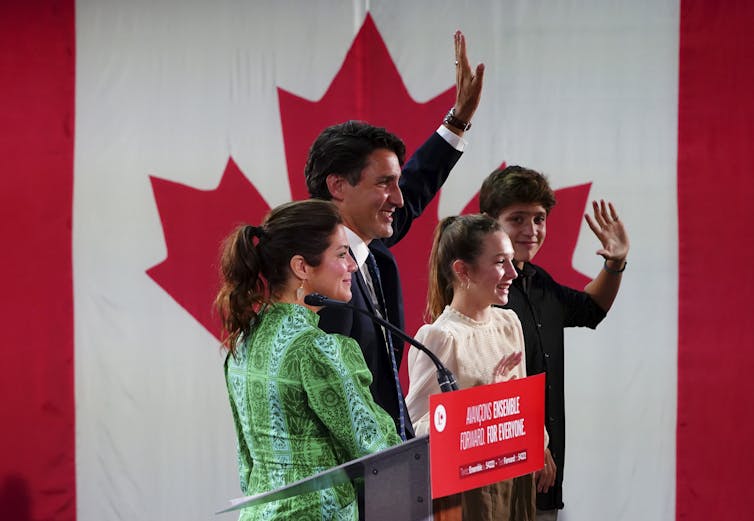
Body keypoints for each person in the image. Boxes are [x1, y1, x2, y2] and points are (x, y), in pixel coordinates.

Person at [305, 31, 484, 441]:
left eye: (397, 182)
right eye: (384, 183)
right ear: (338, 186)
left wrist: (457, 120)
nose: (399, 198)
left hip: (388, 459)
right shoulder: (315, 277)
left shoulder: (369, 247)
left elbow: (416, 189)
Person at [215, 200, 402, 520]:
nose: (353, 266)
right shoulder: (316, 348)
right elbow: (376, 451)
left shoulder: (244, 339)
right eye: (342, 255)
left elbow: (247, 463)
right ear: (302, 267)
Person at [478, 165, 630, 520]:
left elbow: (591, 308)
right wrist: (529, 441)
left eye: (539, 219)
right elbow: (477, 381)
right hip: (495, 477)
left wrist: (615, 263)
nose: (531, 231)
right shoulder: (480, 289)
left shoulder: (538, 280)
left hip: (542, 480)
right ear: (488, 222)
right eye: (518, 218)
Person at [405, 214, 550, 521]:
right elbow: (415, 429)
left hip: (515, 478)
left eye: (511, 260)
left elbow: (519, 396)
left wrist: (542, 442)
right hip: (467, 493)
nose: (512, 272)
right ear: (463, 270)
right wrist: (482, 402)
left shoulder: (509, 322)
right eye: (500, 262)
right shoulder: (441, 337)